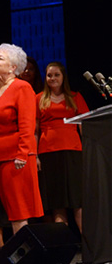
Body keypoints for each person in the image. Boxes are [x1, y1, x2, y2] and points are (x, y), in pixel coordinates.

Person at [0, 43, 43, 234]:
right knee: (11, 210)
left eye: (0, 58)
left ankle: (24, 258)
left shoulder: (21, 88)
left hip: (17, 157)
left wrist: (22, 154)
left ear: (13, 67)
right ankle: (21, 255)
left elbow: (27, 124)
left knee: (19, 211)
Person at [36, 61, 89, 232]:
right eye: (49, 75)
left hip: (73, 151)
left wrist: (88, 150)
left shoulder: (74, 97)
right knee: (57, 201)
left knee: (77, 200)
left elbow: (84, 126)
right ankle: (63, 246)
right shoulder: (38, 99)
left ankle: (88, 243)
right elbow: (34, 130)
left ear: (63, 77)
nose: (52, 78)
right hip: (48, 153)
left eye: (56, 74)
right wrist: (34, 155)